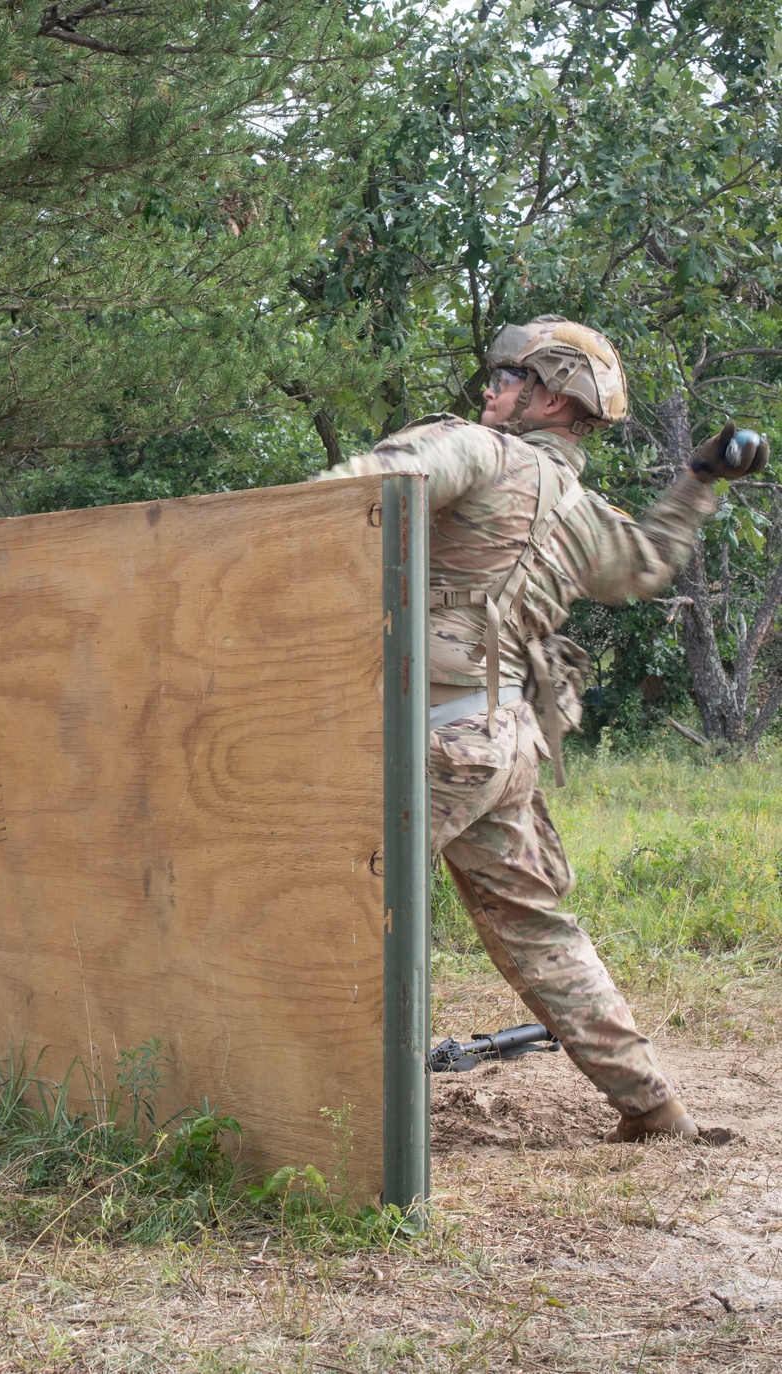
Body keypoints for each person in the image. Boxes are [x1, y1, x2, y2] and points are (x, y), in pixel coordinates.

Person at [315, 316, 769, 1142]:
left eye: (504, 376)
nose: (488, 390)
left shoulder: (478, 451)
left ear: (552, 394)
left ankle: (307, 1110)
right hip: (499, 739)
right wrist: (701, 478)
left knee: (306, 892)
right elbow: (646, 564)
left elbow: (354, 495)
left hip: (425, 732)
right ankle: (653, 1106)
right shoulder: (580, 508)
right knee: (534, 926)